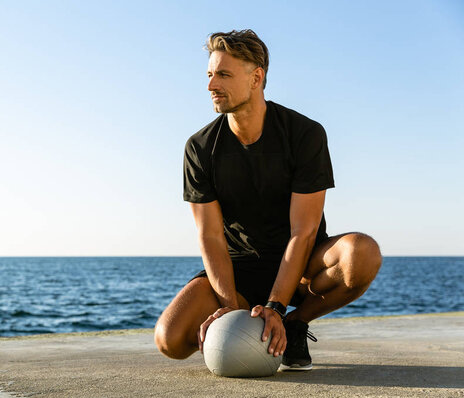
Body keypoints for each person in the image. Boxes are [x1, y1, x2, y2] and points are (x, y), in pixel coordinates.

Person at [154, 29, 382, 371]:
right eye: (209, 74)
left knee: (362, 254)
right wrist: (230, 307)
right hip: (239, 269)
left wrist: (277, 306)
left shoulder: (304, 134)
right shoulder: (200, 148)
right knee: (169, 340)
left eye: (223, 75)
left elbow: (302, 233)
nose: (210, 85)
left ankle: (295, 324)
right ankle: (254, 322)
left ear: (256, 77)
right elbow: (210, 236)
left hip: (302, 265)